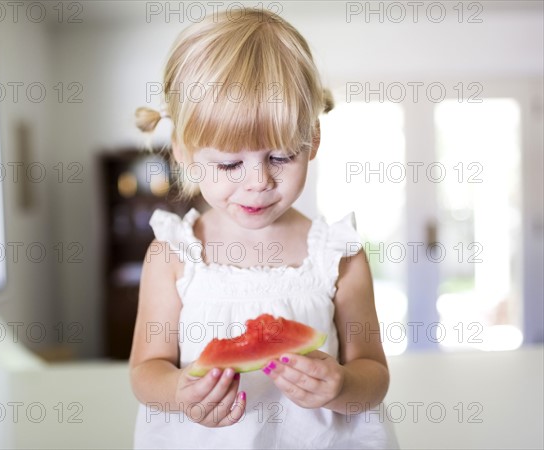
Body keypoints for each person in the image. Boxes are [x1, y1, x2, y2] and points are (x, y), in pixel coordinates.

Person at [129, 7, 399, 449]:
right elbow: (146, 370)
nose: (258, 183)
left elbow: (373, 372)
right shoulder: (174, 255)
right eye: (230, 163)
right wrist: (178, 392)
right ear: (182, 151)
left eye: (280, 157)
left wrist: (343, 387)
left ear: (312, 140)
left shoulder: (338, 254)